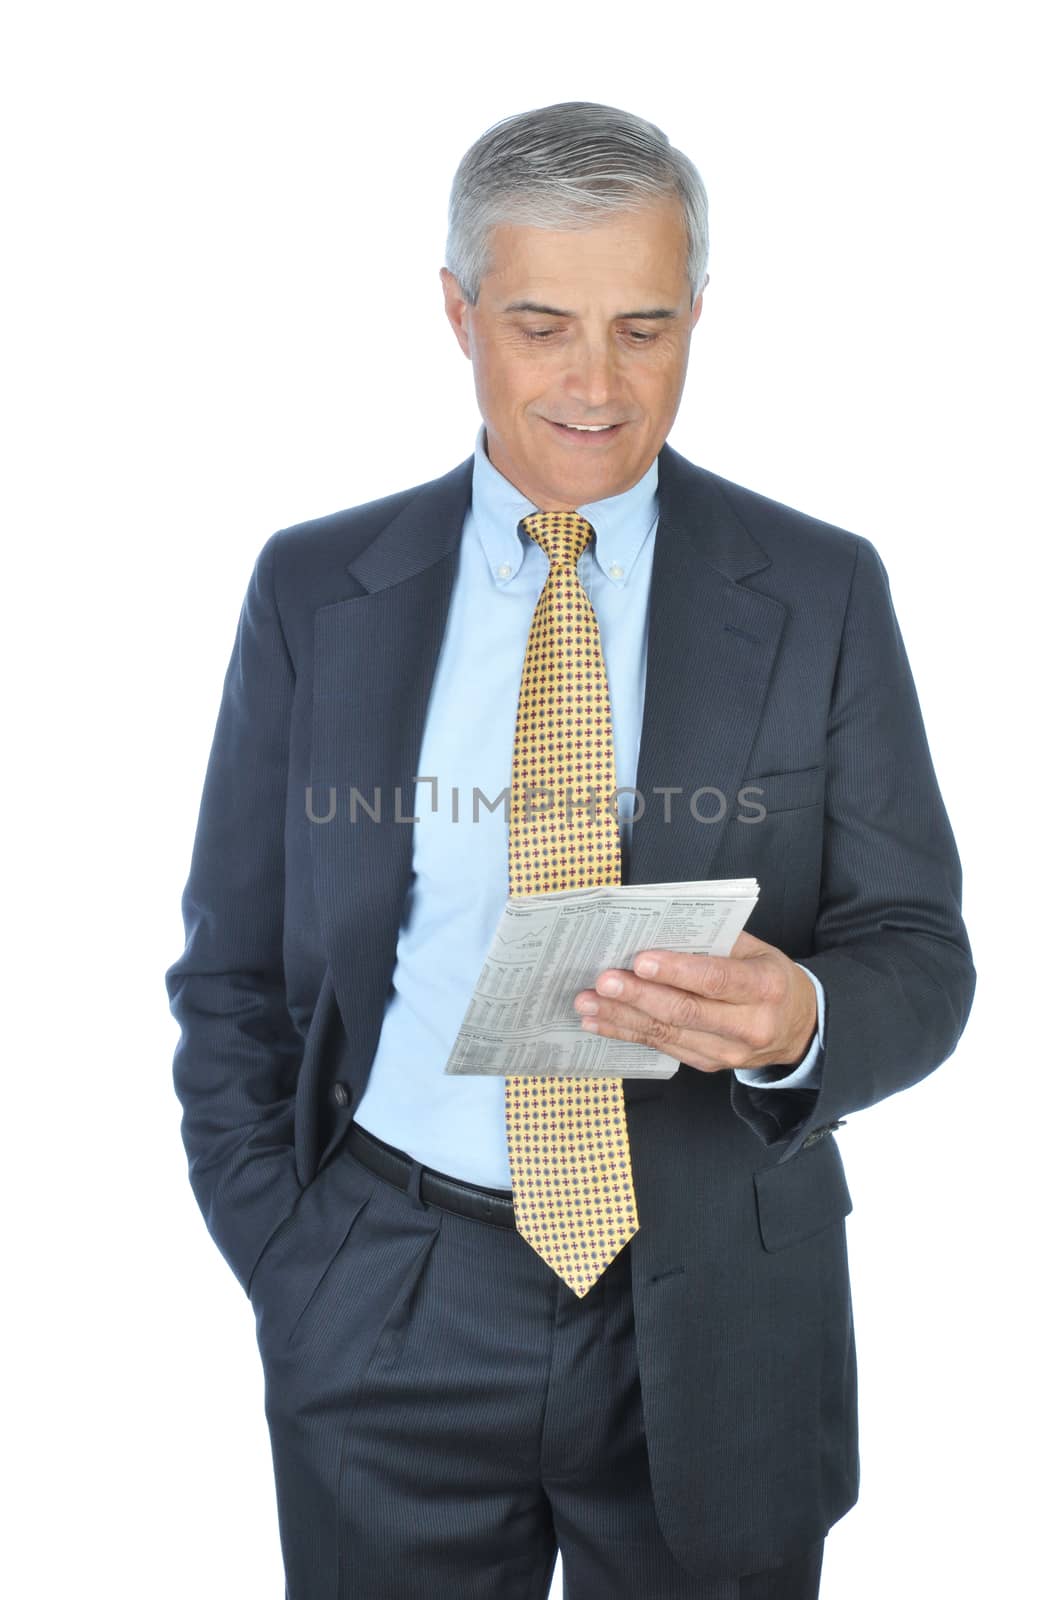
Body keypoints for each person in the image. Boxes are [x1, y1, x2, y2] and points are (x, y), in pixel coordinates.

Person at [165, 101, 975, 1599]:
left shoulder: (820, 589)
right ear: (459, 314)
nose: (597, 384)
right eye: (543, 326)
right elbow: (228, 976)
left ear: (698, 317)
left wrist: (803, 1018)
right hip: (391, 1294)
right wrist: (300, 1268)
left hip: (720, 1306)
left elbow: (921, 950)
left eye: (645, 327)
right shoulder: (314, 590)